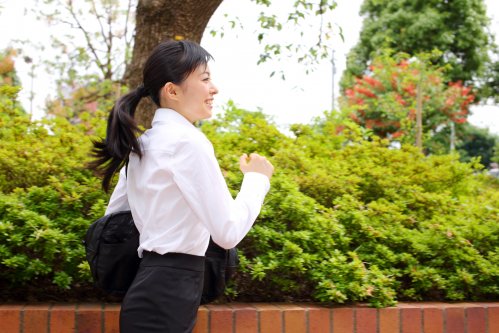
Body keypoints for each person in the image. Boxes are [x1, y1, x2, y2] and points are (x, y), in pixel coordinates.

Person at [89, 40, 274, 333]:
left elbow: (115, 219)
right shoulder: (188, 143)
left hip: (149, 285)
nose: (214, 88)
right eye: (204, 79)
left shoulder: (145, 144)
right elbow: (227, 232)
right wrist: (257, 180)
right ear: (172, 90)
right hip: (170, 293)